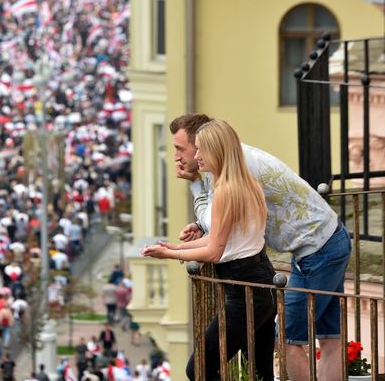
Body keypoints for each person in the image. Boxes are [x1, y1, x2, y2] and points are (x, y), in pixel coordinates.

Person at [169, 114, 351, 381]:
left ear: (202, 144)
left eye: (181, 148)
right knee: (329, 339)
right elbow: (227, 217)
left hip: (316, 248)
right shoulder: (233, 161)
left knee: (288, 339)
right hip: (326, 238)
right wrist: (203, 223)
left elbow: (219, 229)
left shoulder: (231, 171)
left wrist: (196, 190)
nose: (180, 156)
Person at [143, 119, 277, 380]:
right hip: (259, 283)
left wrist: (171, 254)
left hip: (245, 290)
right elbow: (220, 238)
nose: (197, 155)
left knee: (199, 368)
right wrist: (178, 246)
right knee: (260, 372)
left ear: (218, 150)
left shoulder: (227, 190)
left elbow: (214, 251)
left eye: (202, 149)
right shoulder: (242, 184)